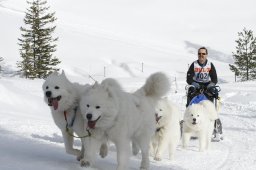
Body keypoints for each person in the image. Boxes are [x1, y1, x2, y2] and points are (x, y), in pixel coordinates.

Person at [186, 46, 223, 141]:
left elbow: (214, 78)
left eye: (203, 54)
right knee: (192, 103)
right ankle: (189, 126)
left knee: (209, 106)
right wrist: (193, 83)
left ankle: (214, 126)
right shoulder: (194, 65)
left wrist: (211, 85)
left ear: (206, 55)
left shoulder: (210, 65)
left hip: (207, 86)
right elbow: (189, 78)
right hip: (196, 86)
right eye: (199, 54)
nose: (201, 56)